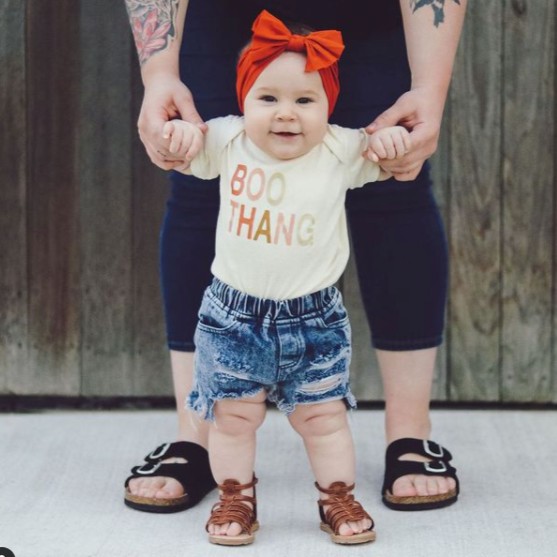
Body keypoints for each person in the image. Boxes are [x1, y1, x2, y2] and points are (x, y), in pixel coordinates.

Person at [124, 0, 466, 515]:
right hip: (217, 15)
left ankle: (410, 435)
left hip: (373, 16)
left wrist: (429, 89)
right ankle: (196, 434)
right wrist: (159, 73)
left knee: (397, 179)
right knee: (196, 182)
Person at [160, 11, 411, 544]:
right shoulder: (227, 140)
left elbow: (388, 156)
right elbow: (185, 149)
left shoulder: (341, 149)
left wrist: (392, 145)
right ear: (244, 100)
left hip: (314, 320)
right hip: (233, 319)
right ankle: (235, 496)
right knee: (232, 420)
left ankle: (336, 497)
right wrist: (178, 134)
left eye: (305, 100)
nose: (285, 115)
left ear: (329, 107)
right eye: (267, 98)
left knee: (324, 419)